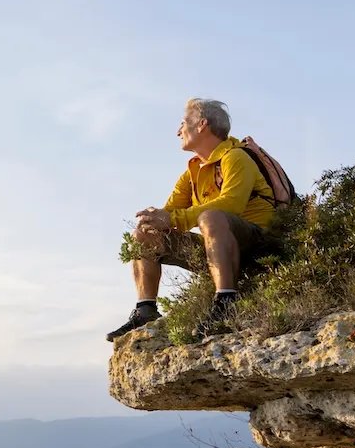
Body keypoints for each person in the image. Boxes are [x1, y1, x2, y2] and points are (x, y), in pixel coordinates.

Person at [106, 98, 275, 342]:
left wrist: (172, 218)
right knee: (144, 233)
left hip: (257, 244)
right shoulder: (191, 173)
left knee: (212, 217)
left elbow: (232, 205)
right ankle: (145, 310)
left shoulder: (236, 158)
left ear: (202, 124)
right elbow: (169, 215)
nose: (178, 131)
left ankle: (227, 300)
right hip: (217, 245)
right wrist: (154, 220)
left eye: (183, 123)